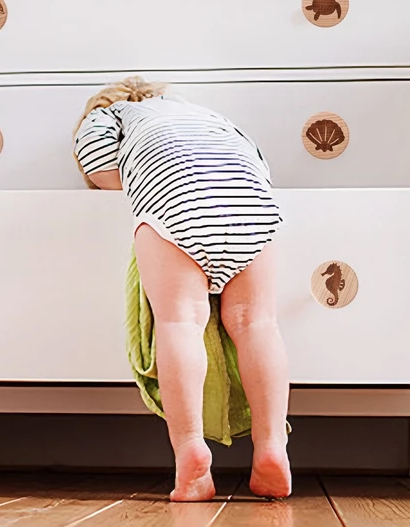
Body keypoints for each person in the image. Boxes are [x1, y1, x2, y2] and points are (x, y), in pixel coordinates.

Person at [73, 77, 290, 502]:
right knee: (257, 322)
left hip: (175, 198)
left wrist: (126, 178)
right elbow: (259, 160)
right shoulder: (210, 116)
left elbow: (96, 164)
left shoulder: (109, 116)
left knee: (181, 322)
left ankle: (190, 450)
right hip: (250, 198)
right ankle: (271, 447)